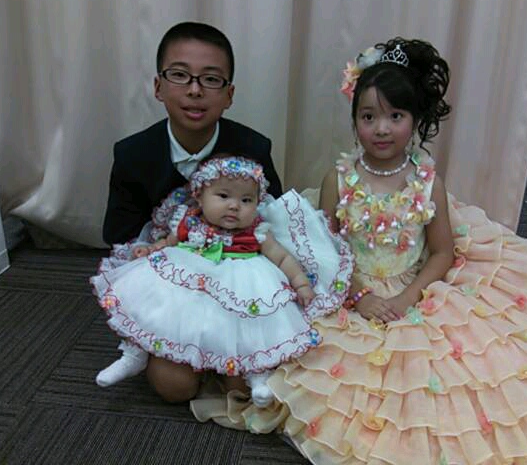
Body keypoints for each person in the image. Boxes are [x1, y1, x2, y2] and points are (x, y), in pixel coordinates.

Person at [191, 38, 527, 464]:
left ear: (415, 120)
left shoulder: (428, 182)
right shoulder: (336, 180)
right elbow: (325, 250)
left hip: (415, 288)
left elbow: (442, 253)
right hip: (350, 286)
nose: (381, 128)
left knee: (451, 376)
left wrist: (406, 298)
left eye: (395, 116)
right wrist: (359, 295)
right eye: (368, 117)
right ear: (354, 120)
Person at [92, 155, 353, 407]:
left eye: (246, 200)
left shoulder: (257, 231)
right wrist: (151, 249)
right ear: (200, 197)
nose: (234, 206)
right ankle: (134, 355)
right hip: (190, 286)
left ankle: (257, 377)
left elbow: (283, 258)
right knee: (157, 313)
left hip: (242, 289)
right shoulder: (190, 222)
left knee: (254, 331)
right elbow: (168, 242)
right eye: (223, 196)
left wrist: (301, 284)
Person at [102, 21, 282, 247]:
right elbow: (120, 235)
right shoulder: (131, 154)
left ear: (229, 95)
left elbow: (275, 223)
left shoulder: (254, 149)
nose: (195, 90)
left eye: (211, 79)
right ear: (158, 87)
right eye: (179, 75)